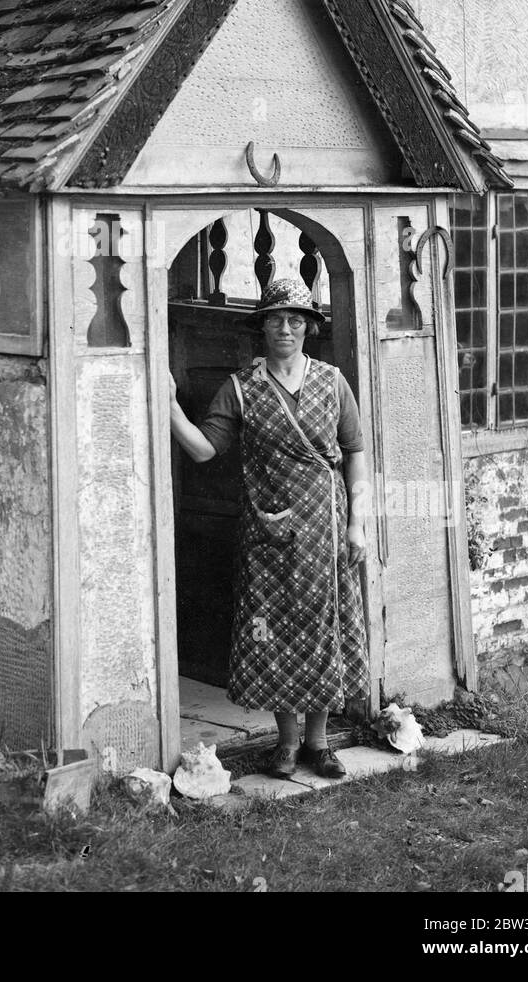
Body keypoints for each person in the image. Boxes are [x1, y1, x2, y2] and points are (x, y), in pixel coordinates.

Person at [168, 277, 369, 779]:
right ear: (261, 328)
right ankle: (285, 742)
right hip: (268, 531)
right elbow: (203, 449)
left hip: (326, 523)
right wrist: (168, 405)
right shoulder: (240, 388)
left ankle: (319, 745)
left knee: (325, 626)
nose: (286, 328)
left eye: (296, 320)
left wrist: (358, 525)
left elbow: (355, 454)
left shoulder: (332, 381)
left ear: (309, 328)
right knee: (274, 631)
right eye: (276, 319)